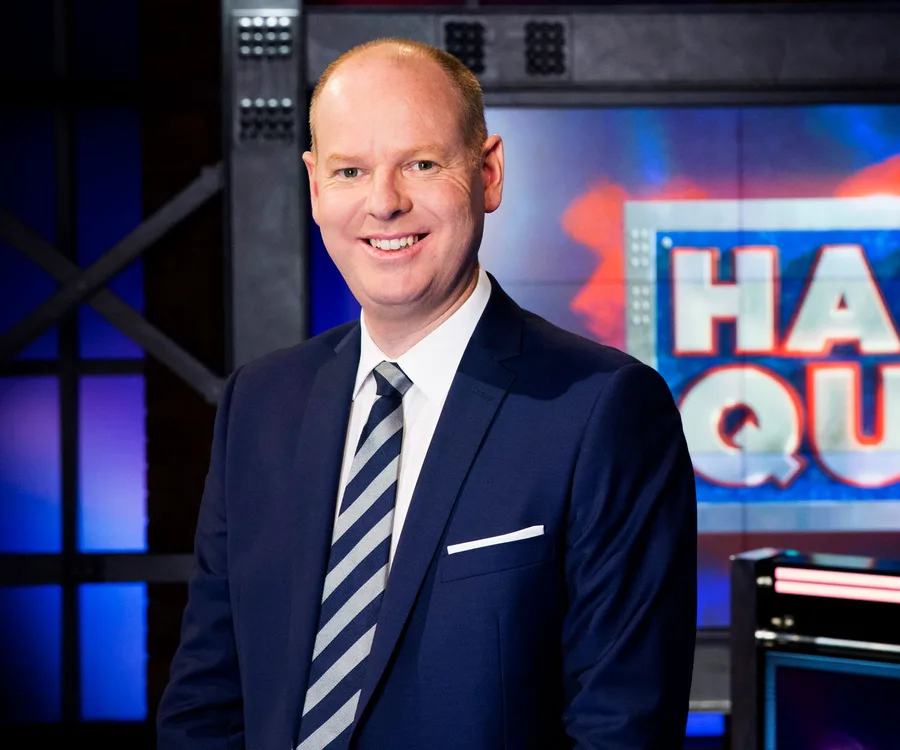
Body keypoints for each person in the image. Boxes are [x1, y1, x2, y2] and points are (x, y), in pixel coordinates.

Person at [157, 37, 697, 750]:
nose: (385, 203)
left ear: (489, 172)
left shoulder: (603, 410)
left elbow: (620, 729)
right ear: (316, 187)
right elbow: (205, 704)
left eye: (421, 163)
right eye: (351, 170)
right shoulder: (259, 404)